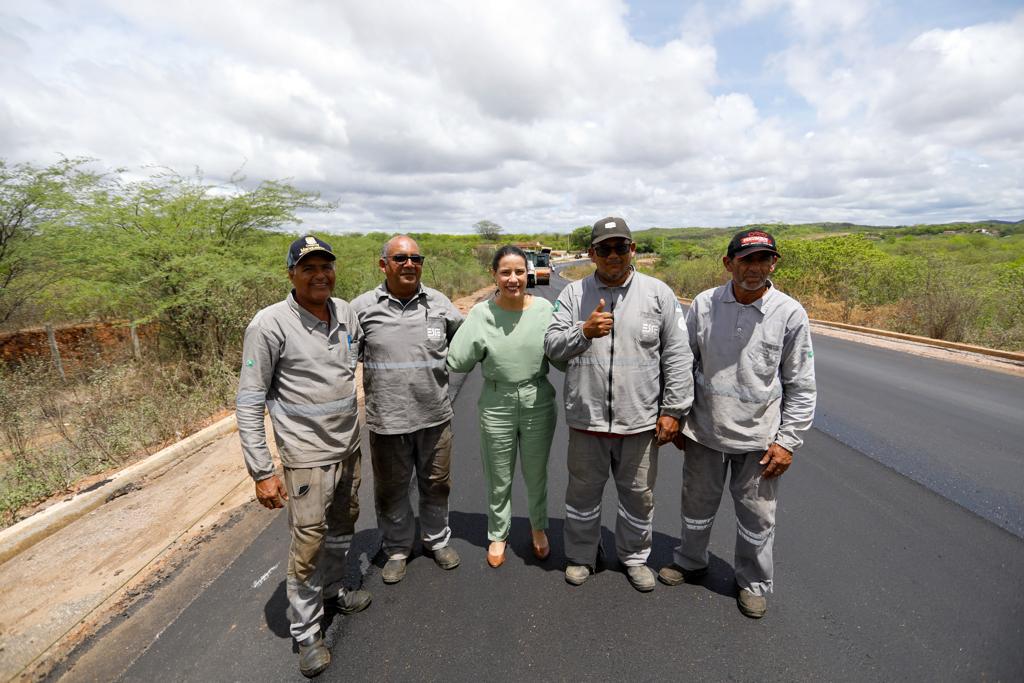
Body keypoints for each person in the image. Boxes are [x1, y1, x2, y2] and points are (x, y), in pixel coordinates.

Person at [658, 228, 817, 619]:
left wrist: (787, 442)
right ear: (729, 263)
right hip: (705, 432)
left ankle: (753, 583)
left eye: (764, 259)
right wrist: (677, 414)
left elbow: (801, 384)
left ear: (774, 264)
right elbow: (684, 363)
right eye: (746, 260)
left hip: (760, 440)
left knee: (757, 518)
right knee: (696, 506)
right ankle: (691, 560)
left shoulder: (789, 313)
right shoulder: (705, 304)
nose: (755, 268)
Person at [236, 234, 371, 679]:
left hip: (348, 448)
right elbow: (249, 400)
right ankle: (308, 632)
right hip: (306, 458)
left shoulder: (346, 312)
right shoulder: (269, 325)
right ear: (291, 273)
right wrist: (261, 470)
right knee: (308, 543)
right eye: (308, 268)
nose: (319, 275)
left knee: (342, 528)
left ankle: (334, 591)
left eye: (325, 266)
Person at [544, 217, 694, 592]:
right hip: (587, 420)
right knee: (582, 496)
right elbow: (552, 346)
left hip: (640, 422)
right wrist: (583, 331)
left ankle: (634, 558)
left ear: (632, 250)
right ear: (592, 253)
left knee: (638, 498)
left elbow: (678, 356)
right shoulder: (573, 295)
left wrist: (673, 411)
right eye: (605, 248)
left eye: (621, 247)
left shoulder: (659, 294)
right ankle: (581, 555)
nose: (614, 255)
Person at [351, 235, 464, 584]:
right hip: (388, 420)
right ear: (383, 265)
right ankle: (398, 548)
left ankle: (436, 540)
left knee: (437, 484)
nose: (410, 264)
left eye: (416, 258)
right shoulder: (361, 309)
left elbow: (465, 342)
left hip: (435, 416)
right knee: (392, 489)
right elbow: (343, 357)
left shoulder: (439, 303)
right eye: (400, 258)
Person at [447, 245, 558, 568]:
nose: (513, 279)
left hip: (538, 398)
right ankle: (498, 533)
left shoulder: (544, 310)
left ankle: (538, 527)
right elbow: (458, 360)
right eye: (505, 272)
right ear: (493, 275)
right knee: (498, 474)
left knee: (536, 472)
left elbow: (562, 354)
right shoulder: (481, 313)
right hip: (497, 402)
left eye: (519, 272)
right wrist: (471, 339)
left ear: (528, 273)